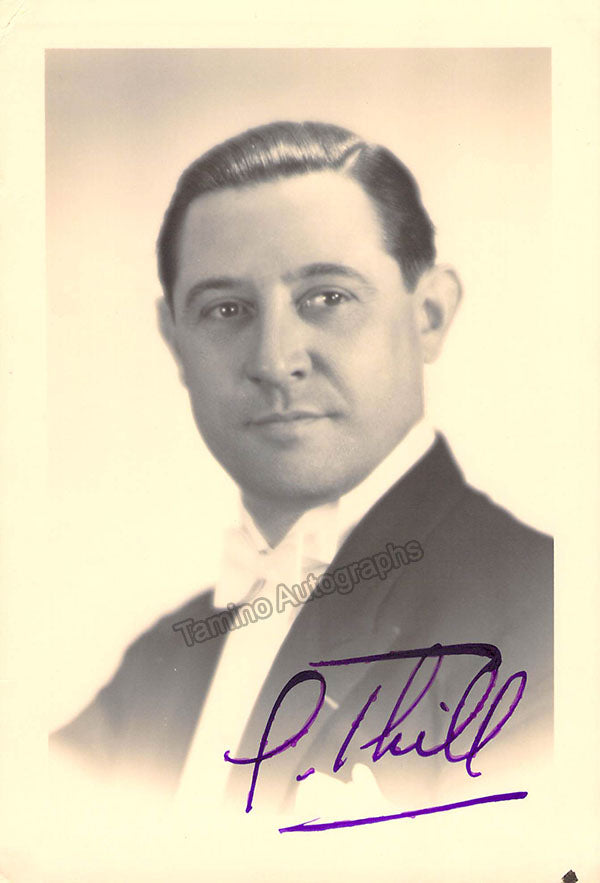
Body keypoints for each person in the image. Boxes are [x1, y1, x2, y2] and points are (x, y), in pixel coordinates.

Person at [51, 121, 552, 816]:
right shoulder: (153, 670)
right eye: (226, 309)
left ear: (430, 315)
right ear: (175, 341)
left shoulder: (551, 614)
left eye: (327, 297)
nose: (273, 359)